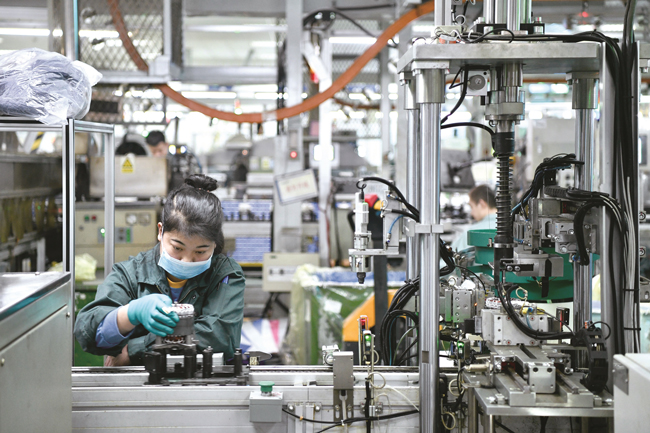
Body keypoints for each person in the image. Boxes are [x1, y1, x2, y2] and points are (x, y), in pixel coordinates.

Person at [74, 174, 245, 366]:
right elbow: (88, 334)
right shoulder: (131, 274)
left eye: (200, 251)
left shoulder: (225, 274)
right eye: (177, 248)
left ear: (214, 245)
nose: (187, 260)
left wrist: (134, 349)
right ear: (160, 231)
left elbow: (219, 338)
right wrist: (130, 314)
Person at [451, 184, 497, 253]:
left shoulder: (471, 233)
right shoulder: (512, 228)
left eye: (472, 207)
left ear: (482, 204)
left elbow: (448, 257)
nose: (471, 213)